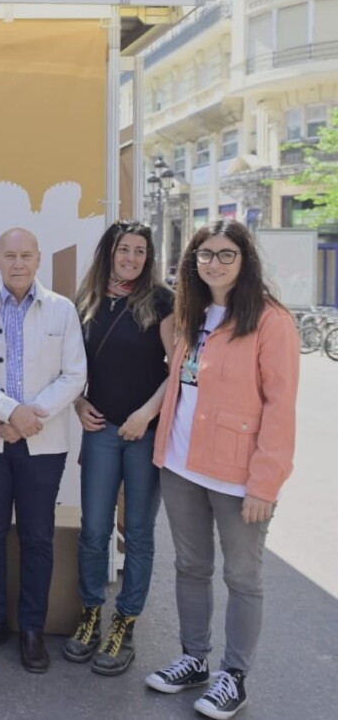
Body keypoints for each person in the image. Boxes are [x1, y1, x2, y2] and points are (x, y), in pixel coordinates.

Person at [145, 220, 299, 720]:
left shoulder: (270, 320)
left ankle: (234, 676)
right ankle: (194, 659)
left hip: (238, 475)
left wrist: (265, 483)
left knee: (243, 576)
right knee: (190, 567)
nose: (214, 263)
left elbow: (280, 407)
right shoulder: (192, 313)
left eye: (226, 254)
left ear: (244, 259)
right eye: (205, 254)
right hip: (182, 466)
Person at [0, 228, 86, 674]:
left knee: (37, 536)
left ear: (39, 259)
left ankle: (32, 628)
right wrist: (11, 412)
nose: (17, 263)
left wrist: (31, 419)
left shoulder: (63, 310)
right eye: (9, 255)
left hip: (43, 443)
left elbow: (75, 375)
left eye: (25, 255)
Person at [64, 221, 174, 674]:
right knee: (94, 529)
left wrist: (146, 414)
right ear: (109, 252)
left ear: (149, 257)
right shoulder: (86, 302)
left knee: (139, 534)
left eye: (140, 251)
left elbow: (179, 369)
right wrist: (78, 402)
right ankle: (91, 614)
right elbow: (69, 368)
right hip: (102, 430)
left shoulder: (162, 301)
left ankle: (124, 625)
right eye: (124, 249)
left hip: (145, 431)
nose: (131, 258)